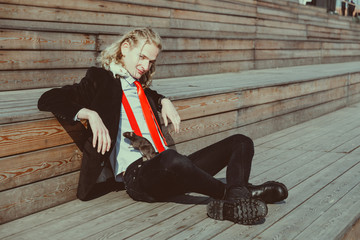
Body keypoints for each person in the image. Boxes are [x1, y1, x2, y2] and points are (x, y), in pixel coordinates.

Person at [38, 28, 288, 225]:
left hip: (169, 168)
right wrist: (89, 114)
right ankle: (237, 196)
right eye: (142, 57)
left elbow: (146, 94)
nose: (146, 66)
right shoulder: (100, 79)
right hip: (140, 177)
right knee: (172, 159)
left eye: (151, 61)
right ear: (125, 48)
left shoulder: (141, 89)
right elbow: (48, 98)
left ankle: (233, 201)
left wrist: (163, 100)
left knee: (241, 141)